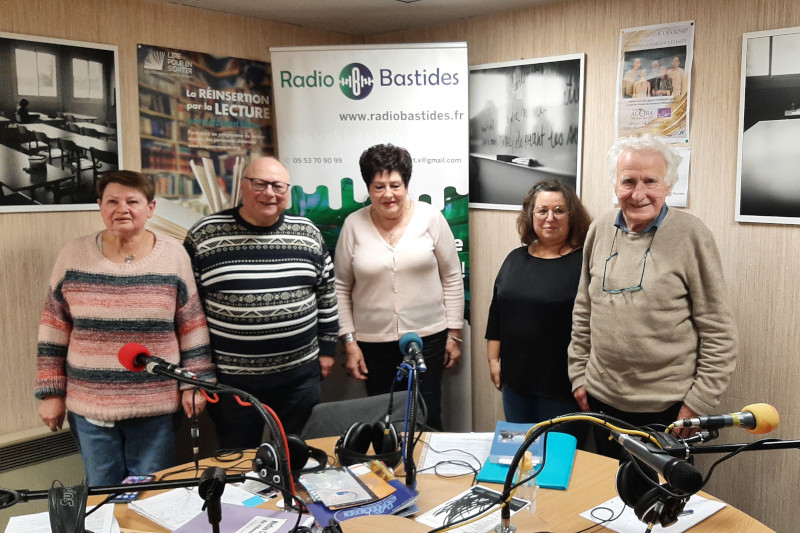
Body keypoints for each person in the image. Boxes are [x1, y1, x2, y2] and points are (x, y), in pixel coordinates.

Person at [35, 170, 214, 485]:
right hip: (90, 406)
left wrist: (194, 383)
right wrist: (51, 393)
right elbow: (53, 326)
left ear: (151, 208)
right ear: (100, 206)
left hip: (155, 407)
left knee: (151, 493)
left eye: (133, 201)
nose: (123, 209)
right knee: (101, 494)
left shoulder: (174, 255)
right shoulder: (73, 254)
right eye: (113, 201)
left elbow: (192, 325)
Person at [568, 134, 738, 459]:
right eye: (628, 181)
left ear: (668, 186)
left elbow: (719, 331)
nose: (639, 193)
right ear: (615, 185)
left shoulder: (692, 235)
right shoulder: (599, 229)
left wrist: (698, 403)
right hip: (602, 400)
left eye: (651, 181)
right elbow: (583, 308)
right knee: (608, 497)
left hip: (669, 409)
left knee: (659, 501)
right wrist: (579, 375)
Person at [184, 156, 338, 448]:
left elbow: (326, 291)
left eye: (278, 186)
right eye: (260, 184)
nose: (269, 193)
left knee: (297, 454)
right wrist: (199, 372)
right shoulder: (204, 234)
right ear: (242, 187)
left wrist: (328, 348)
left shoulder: (308, 233)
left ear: (288, 192)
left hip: (300, 378)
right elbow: (189, 310)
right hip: (233, 382)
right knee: (240, 460)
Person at [335, 143, 464, 431]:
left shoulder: (430, 218)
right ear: (368, 188)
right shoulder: (353, 225)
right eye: (379, 186)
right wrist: (349, 341)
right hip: (372, 345)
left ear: (406, 184)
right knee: (383, 419)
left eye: (395, 185)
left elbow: (453, 276)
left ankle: (427, 471)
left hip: (426, 340)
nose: (388, 194)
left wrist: (454, 334)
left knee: (426, 413)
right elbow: (341, 286)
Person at [486, 180, 591, 447]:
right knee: (517, 456)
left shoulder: (584, 262)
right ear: (531, 216)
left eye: (559, 210)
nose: (550, 218)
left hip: (564, 388)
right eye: (542, 211)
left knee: (560, 463)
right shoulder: (515, 258)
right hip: (516, 386)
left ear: (572, 216)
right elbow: (497, 311)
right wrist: (493, 360)